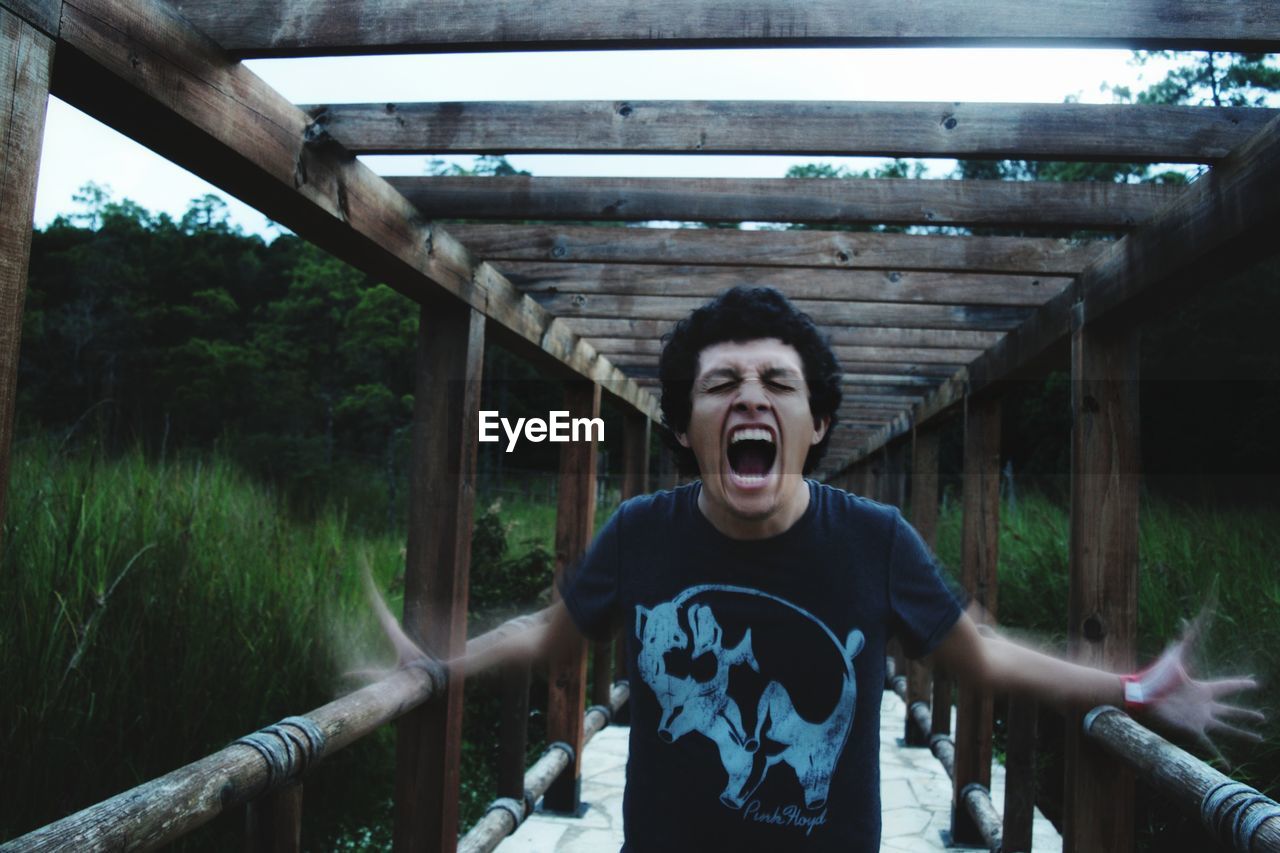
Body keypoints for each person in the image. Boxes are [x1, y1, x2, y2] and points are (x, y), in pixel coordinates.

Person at [426, 286, 1261, 851]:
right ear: (683, 425)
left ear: (817, 419)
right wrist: (440, 665)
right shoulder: (642, 531)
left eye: (776, 382)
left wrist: (1134, 688)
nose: (749, 396)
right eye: (721, 383)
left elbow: (984, 657)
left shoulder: (876, 538)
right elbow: (547, 637)